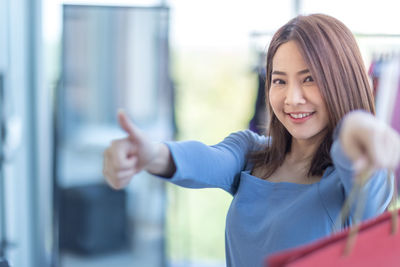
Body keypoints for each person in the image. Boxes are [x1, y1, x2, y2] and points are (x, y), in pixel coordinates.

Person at [102, 14, 400, 267]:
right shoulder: (251, 151)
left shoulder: (354, 180)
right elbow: (207, 158)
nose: (292, 98)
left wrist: (355, 125)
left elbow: (353, 155)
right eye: (279, 81)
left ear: (342, 82)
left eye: (309, 79)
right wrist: (152, 154)